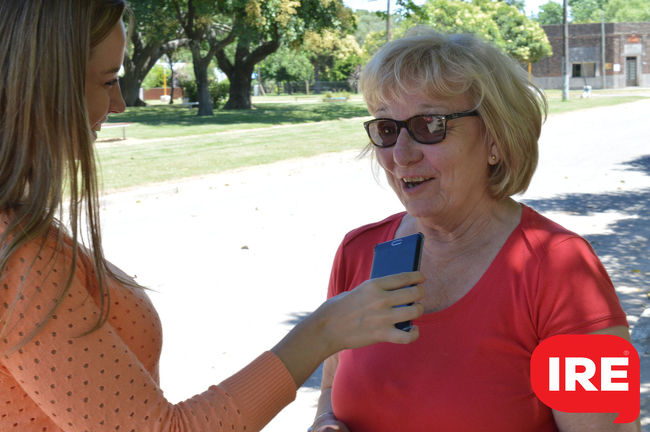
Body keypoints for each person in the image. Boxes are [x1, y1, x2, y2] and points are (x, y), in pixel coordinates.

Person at [0, 2, 427, 431]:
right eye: (109, 80)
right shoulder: (19, 255)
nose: (119, 103)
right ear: (42, 85)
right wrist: (321, 331)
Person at [311, 29, 640, 432]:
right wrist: (325, 422)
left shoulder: (561, 268)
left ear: (495, 141)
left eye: (429, 125)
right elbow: (330, 388)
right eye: (386, 128)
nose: (401, 155)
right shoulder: (357, 252)